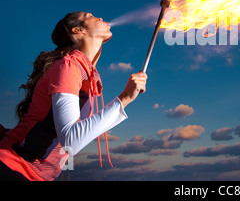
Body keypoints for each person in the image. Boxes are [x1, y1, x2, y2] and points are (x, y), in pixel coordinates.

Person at [0, 11, 147, 181]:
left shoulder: (83, 72)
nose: (99, 17)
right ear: (78, 30)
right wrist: (125, 98)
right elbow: (71, 140)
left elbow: (90, 60)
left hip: (30, 174)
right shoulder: (68, 66)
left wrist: (97, 43)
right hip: (12, 167)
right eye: (89, 16)